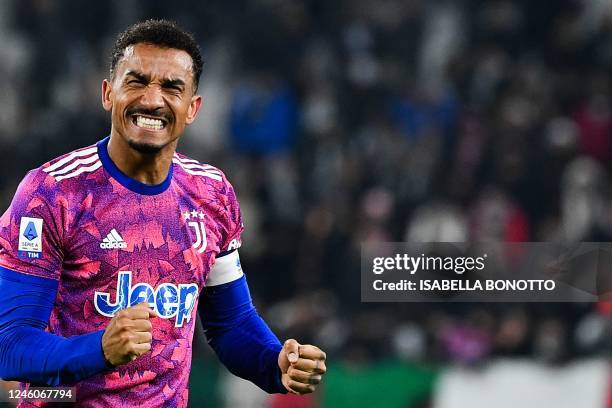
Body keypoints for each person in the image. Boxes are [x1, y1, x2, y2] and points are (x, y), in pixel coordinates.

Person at [0, 19, 326, 407]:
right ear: (108, 94)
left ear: (192, 108)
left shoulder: (212, 193)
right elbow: (11, 345)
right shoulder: (53, 192)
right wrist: (98, 350)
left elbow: (231, 324)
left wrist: (275, 364)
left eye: (172, 88)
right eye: (136, 81)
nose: (153, 100)